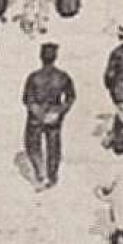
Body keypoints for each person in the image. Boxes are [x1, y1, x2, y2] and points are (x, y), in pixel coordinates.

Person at [22, 42, 76, 190]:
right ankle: (52, 176)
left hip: (35, 117)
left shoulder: (33, 77)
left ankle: (40, 172)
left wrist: (37, 112)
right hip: (54, 117)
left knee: (32, 145)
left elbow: (27, 99)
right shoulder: (63, 77)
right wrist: (58, 112)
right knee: (54, 147)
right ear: (55, 57)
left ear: (41, 57)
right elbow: (71, 98)